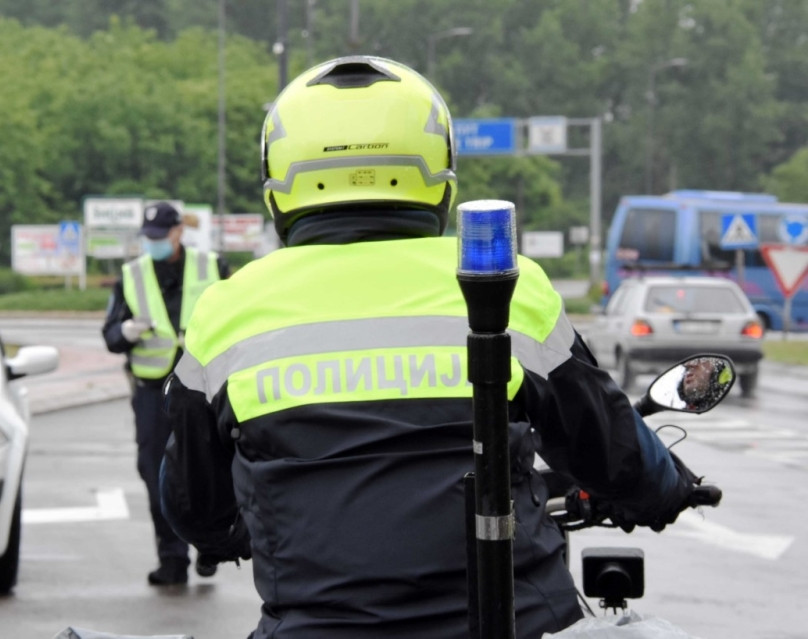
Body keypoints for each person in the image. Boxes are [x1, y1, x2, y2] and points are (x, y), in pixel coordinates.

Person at [159, 56, 702, 638]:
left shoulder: (227, 310)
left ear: (278, 181)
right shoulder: (509, 283)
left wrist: (242, 533)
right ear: (439, 171)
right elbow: (609, 449)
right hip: (518, 624)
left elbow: (193, 504)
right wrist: (665, 489)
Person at [101, 200, 230, 586]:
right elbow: (110, 335)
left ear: (178, 232)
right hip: (153, 391)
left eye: (160, 235)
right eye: (149, 236)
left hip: (204, 387)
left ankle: (209, 545)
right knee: (155, 471)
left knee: (212, 467)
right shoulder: (132, 275)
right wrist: (126, 332)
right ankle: (172, 559)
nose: (153, 242)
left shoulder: (213, 267)